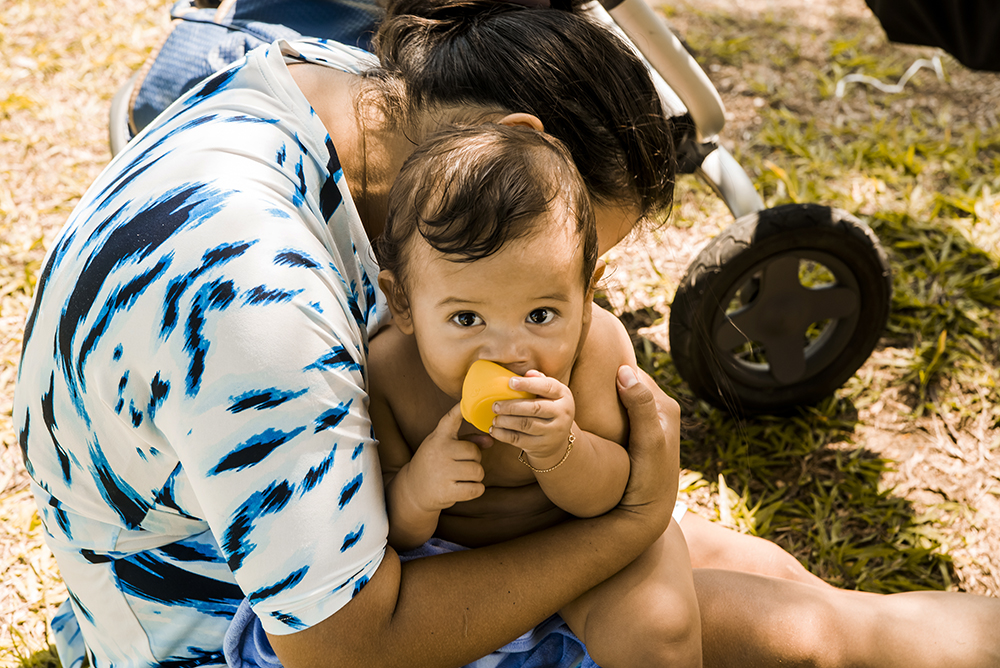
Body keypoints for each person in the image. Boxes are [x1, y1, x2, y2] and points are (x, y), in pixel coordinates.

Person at [13, 0, 1000, 666]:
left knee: (777, 582)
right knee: (796, 636)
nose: (573, 324)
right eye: (581, 272)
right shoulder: (257, 300)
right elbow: (350, 645)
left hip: (310, 556)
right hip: (230, 627)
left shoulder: (336, 97)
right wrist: (628, 518)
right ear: (525, 149)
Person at [369, 123, 700, 668]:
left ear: (587, 295)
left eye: (541, 315)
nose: (508, 350)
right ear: (402, 303)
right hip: (456, 575)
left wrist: (562, 449)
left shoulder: (595, 352)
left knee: (658, 631)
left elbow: (615, 494)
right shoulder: (388, 377)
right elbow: (390, 532)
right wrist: (416, 491)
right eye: (466, 318)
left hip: (583, 538)